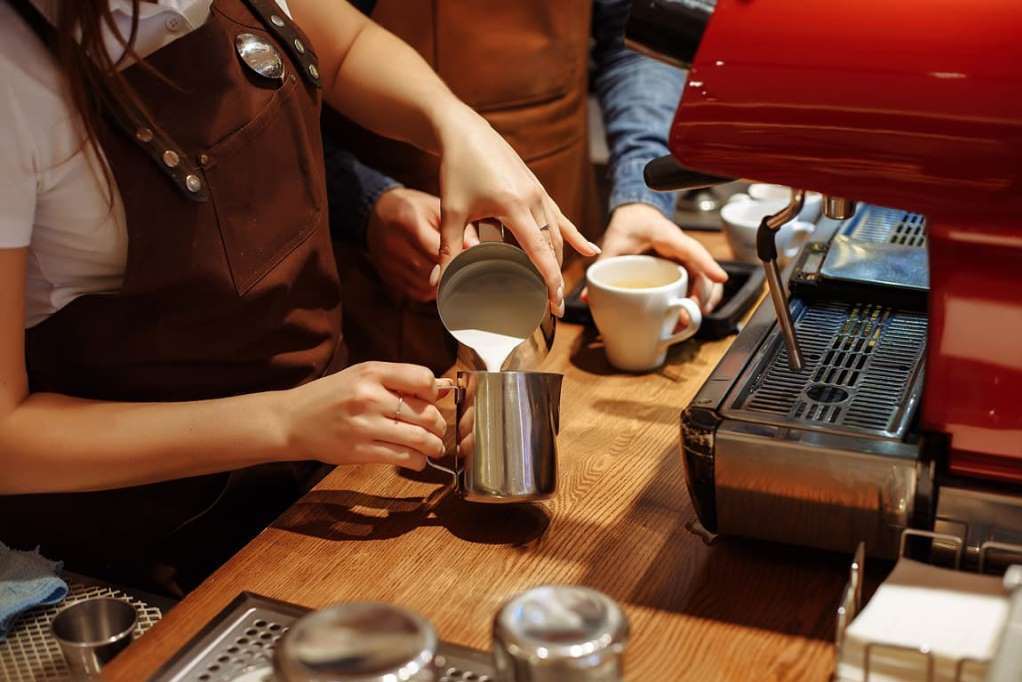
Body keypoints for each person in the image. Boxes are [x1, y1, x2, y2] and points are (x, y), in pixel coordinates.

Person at [0, 0, 597, 589]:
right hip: (153, 541)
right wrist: (286, 420)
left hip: (313, 484)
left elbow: (349, 48)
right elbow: (7, 438)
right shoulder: (13, 74)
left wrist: (457, 125)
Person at [324, 0, 728, 370]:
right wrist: (367, 202)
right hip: (382, 279)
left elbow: (638, 29)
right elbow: (304, 72)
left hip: (563, 240)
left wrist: (639, 195)